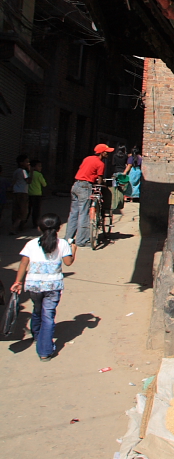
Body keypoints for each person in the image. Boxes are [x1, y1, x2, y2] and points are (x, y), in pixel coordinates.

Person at [11, 213, 76, 360]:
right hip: (53, 286)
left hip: (34, 285)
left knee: (37, 309)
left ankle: (36, 334)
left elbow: (23, 264)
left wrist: (18, 282)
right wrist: (74, 248)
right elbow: (68, 262)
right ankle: (45, 351)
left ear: (39, 228)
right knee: (48, 316)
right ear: (59, 228)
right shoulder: (63, 244)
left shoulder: (31, 244)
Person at [65, 143, 113, 246]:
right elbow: (100, 179)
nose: (108, 154)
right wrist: (102, 184)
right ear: (102, 153)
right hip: (85, 187)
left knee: (74, 213)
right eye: (107, 152)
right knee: (84, 213)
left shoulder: (87, 158)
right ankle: (81, 241)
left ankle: (68, 238)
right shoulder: (100, 164)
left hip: (76, 185)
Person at [10, 154, 30, 232]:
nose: (28, 163)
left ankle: (15, 225)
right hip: (23, 193)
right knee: (23, 211)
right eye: (26, 162)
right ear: (21, 163)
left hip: (16, 192)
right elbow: (29, 181)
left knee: (16, 210)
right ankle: (15, 227)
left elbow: (13, 181)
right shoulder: (23, 171)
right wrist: (30, 171)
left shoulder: (16, 171)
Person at [28, 159, 47, 226]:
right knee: (36, 210)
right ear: (34, 167)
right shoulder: (39, 175)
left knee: (28, 209)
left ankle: (23, 223)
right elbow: (44, 184)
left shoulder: (28, 174)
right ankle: (35, 223)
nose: (40, 167)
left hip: (28, 194)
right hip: (37, 195)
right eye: (39, 166)